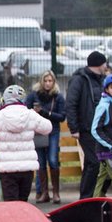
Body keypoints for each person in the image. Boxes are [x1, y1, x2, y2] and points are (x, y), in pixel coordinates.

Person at [0, 84, 52, 202]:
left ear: (4, 100)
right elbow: (47, 127)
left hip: (7, 169)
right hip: (27, 168)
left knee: (10, 204)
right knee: (23, 202)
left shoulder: (0, 115)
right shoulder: (30, 114)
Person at [66, 51, 112, 198]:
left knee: (100, 163)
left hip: (101, 129)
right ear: (99, 64)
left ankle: (96, 194)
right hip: (86, 129)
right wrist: (74, 127)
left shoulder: (102, 79)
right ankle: (86, 196)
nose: (106, 66)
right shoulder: (79, 80)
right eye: (105, 63)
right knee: (94, 162)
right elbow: (71, 103)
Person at [26, 70, 67, 203]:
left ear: (54, 82)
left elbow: (61, 117)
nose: (48, 83)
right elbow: (25, 111)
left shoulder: (58, 97)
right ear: (41, 81)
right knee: (41, 163)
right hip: (38, 132)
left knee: (53, 160)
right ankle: (44, 193)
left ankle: (56, 192)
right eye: (45, 80)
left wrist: (45, 112)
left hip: (53, 131)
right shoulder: (34, 95)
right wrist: (34, 112)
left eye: (50, 81)